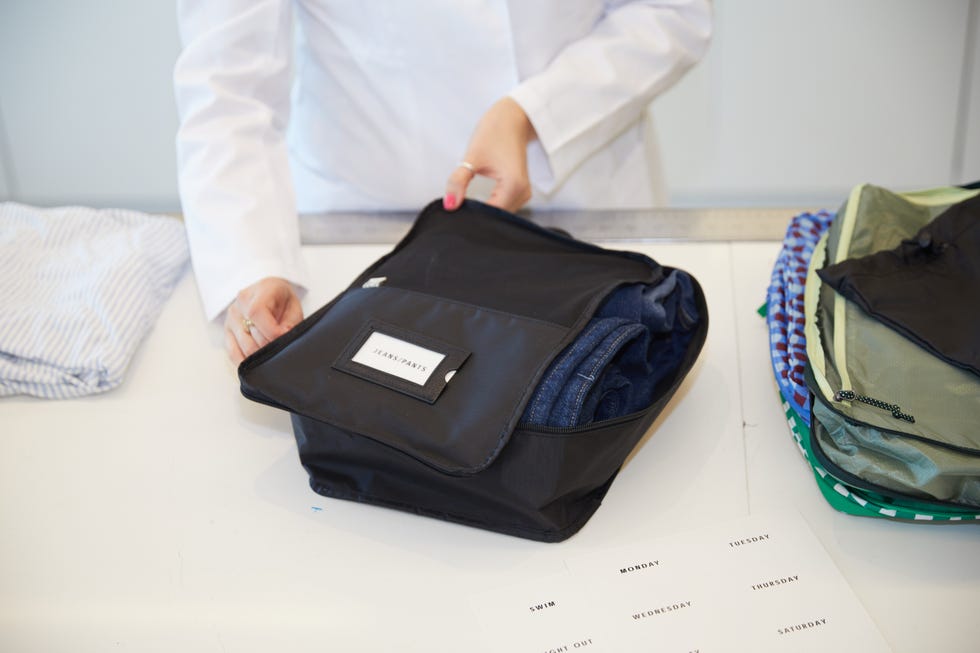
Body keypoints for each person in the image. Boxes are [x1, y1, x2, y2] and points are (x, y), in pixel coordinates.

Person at [174, 0, 712, 364]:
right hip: (362, 222)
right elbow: (226, 88)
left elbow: (670, 14)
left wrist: (533, 114)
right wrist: (253, 264)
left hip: (584, 190)